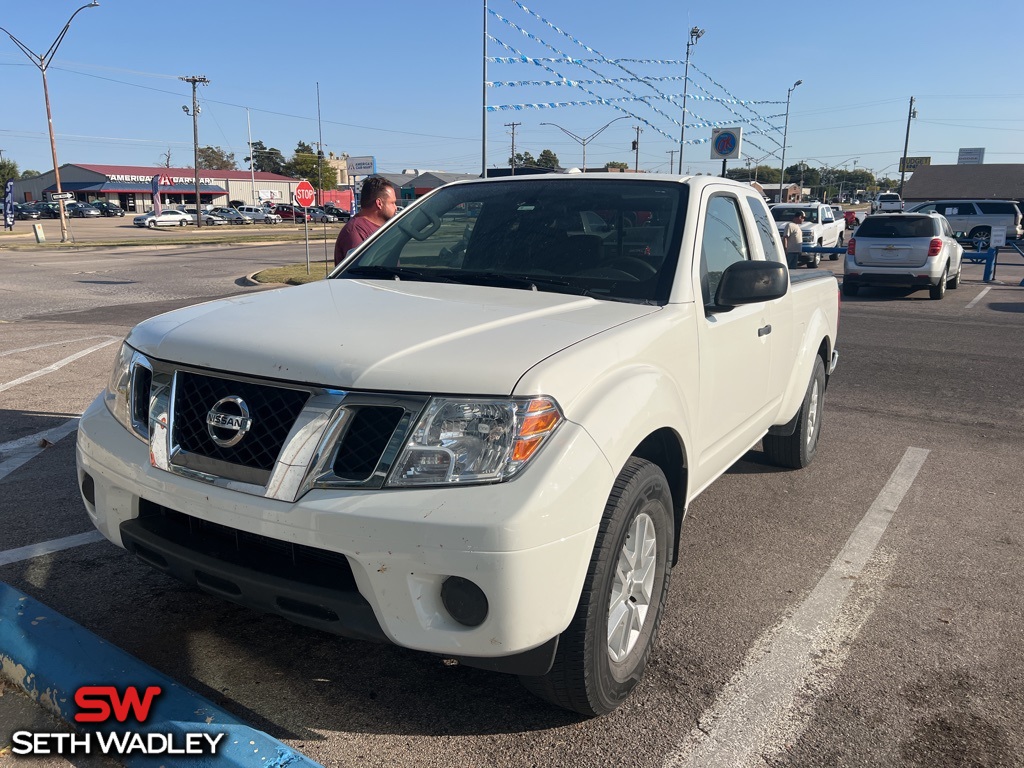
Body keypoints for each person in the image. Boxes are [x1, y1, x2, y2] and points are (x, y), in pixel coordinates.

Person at [333, 177, 398, 266]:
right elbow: (360, 271)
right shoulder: (355, 231)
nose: (396, 207)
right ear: (379, 203)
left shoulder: (384, 228)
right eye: (392, 203)